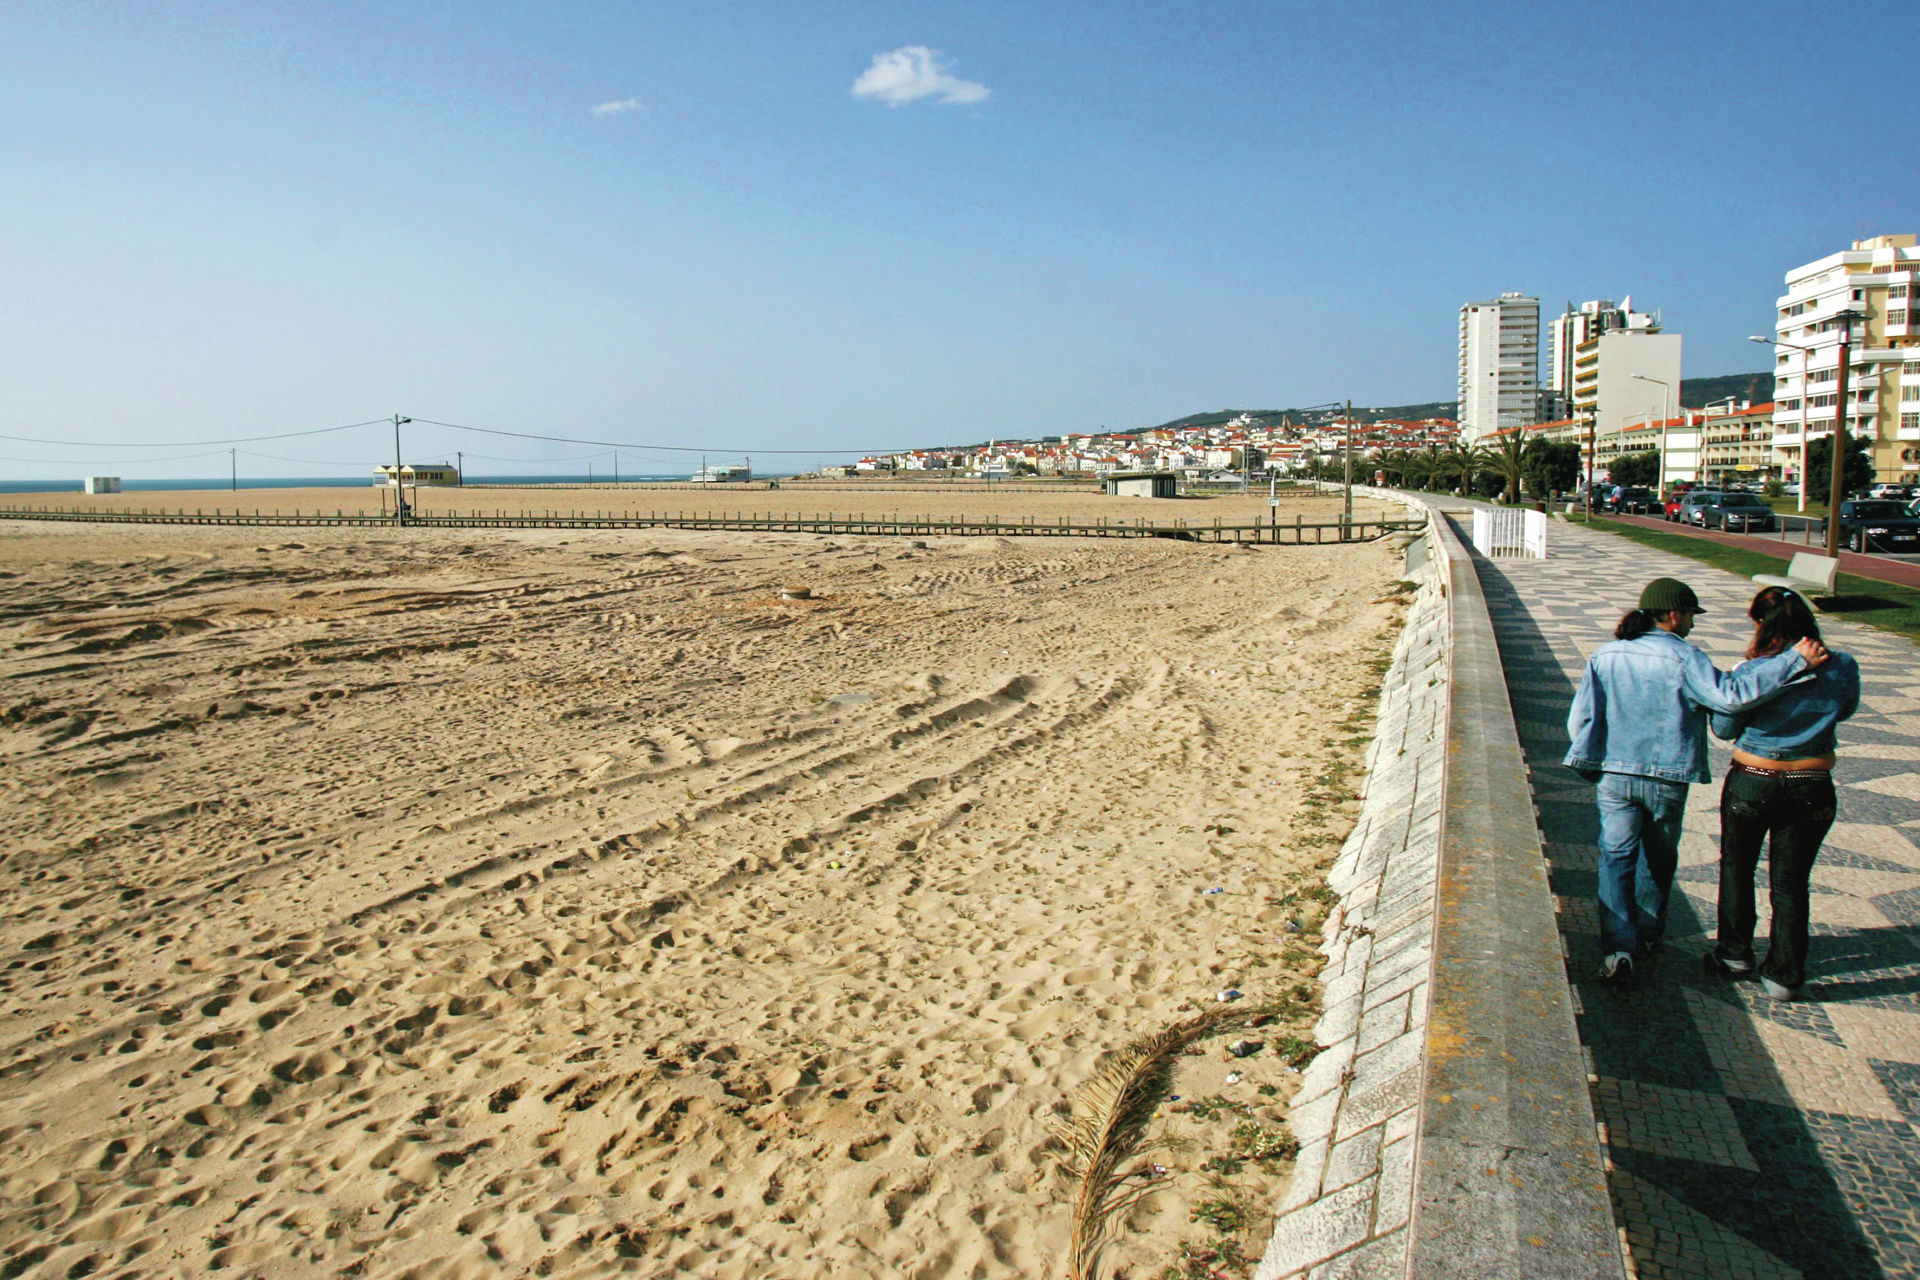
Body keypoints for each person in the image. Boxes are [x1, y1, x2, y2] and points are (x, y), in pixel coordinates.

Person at [1565, 577, 1829, 984]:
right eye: (1690, 615)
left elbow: (1581, 716)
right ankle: (1648, 934)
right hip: (1667, 777)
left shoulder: (1605, 654)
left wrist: (1589, 761)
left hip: (1615, 774)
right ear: (1673, 614)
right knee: (1658, 857)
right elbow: (1729, 699)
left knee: (1615, 857)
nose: (1693, 623)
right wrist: (1793, 662)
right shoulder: (1687, 658)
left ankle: (1619, 947)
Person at [1707, 587, 1859, 999]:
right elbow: (1844, 710)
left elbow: (1723, 728)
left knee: (1737, 867)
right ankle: (1784, 974)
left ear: (1760, 624)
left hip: (1754, 777)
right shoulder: (1843, 665)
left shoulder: (1752, 670)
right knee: (1791, 883)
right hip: (1813, 783)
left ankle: (1735, 953)